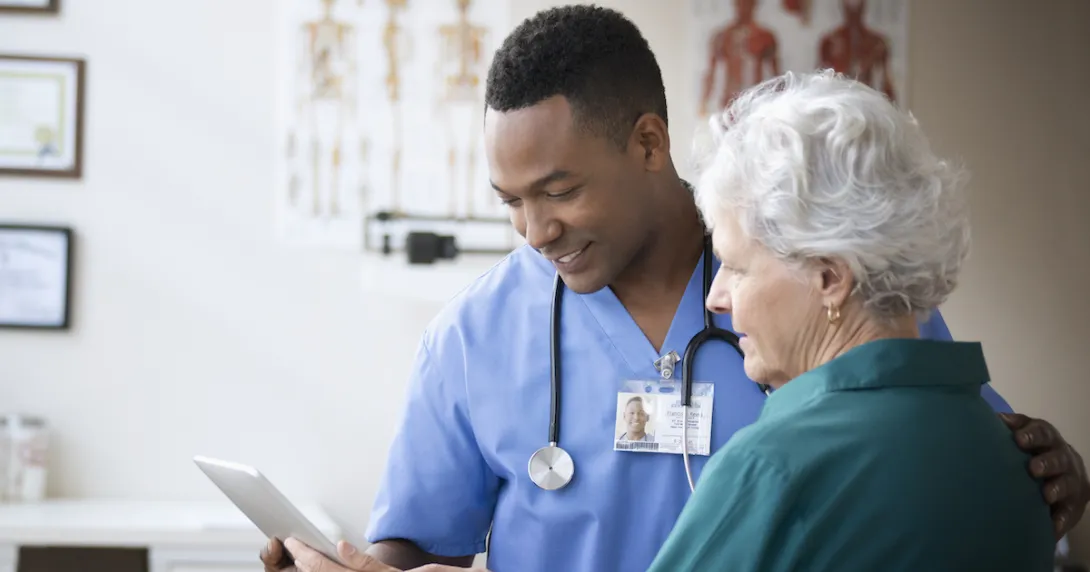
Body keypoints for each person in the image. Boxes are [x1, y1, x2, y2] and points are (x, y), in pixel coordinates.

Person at [262, 6, 1090, 572]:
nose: (534, 230)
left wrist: (1051, 471)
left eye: (557, 190)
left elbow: (950, 459)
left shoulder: (826, 283)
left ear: (649, 143)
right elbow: (411, 544)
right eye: (509, 202)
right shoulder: (473, 337)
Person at [645, 69, 1056, 571]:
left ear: (829, 278)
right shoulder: (1015, 460)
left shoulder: (773, 468)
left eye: (736, 266)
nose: (716, 296)